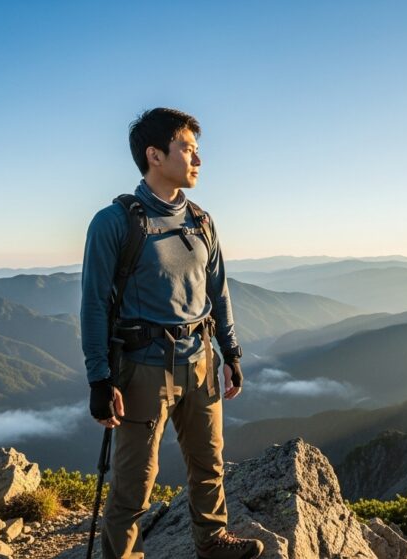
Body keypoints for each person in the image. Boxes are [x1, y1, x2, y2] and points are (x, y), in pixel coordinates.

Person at [80, 108, 264, 559]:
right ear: (155, 155)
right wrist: (99, 380)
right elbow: (93, 305)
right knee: (133, 484)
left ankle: (214, 541)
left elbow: (218, 290)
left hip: (201, 358)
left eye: (197, 150)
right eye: (187, 148)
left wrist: (232, 352)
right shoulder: (114, 223)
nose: (198, 159)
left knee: (209, 464)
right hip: (142, 367)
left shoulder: (201, 220)